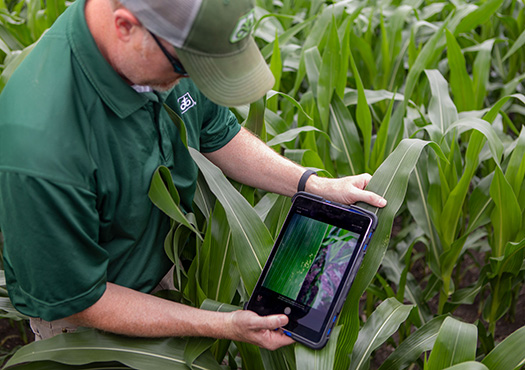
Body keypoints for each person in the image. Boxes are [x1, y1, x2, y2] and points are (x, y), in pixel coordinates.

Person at [0, 0, 387, 350]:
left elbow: (216, 132)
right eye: (188, 69)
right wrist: (224, 325)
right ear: (125, 26)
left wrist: (312, 184)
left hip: (157, 274)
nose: (194, 82)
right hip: (85, 328)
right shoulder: (40, 148)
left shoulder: (162, 49)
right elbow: (81, 299)